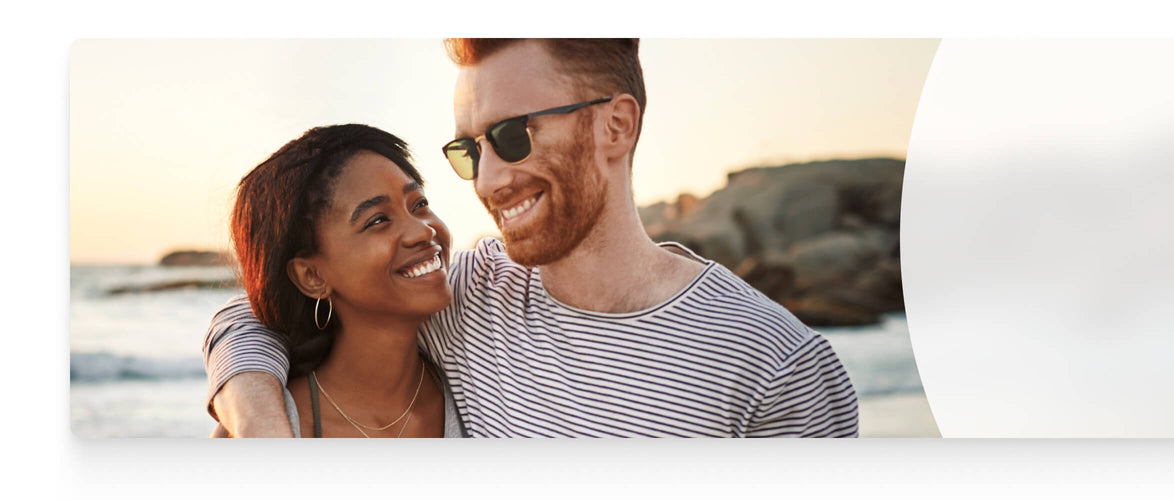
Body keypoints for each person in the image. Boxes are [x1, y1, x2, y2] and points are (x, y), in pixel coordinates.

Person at [204, 38, 859, 438]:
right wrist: (264, 428)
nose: (488, 179)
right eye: (469, 149)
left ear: (615, 127)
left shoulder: (776, 365)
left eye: (514, 135)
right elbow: (256, 315)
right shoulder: (464, 300)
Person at [218, 124, 461, 438]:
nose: (423, 231)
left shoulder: (477, 392)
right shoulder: (274, 427)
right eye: (378, 220)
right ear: (313, 276)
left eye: (419, 204)